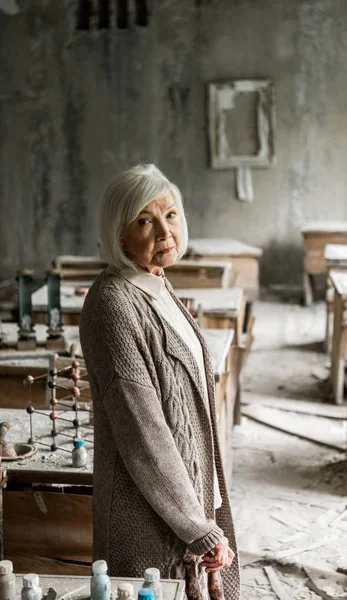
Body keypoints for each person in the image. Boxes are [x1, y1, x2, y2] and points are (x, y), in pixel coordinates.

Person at [79, 164, 240, 600]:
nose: (164, 232)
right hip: (146, 520)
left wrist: (204, 518)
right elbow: (143, 435)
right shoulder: (113, 305)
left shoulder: (157, 285)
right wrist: (198, 529)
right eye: (144, 221)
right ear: (119, 234)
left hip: (188, 508)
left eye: (170, 215)